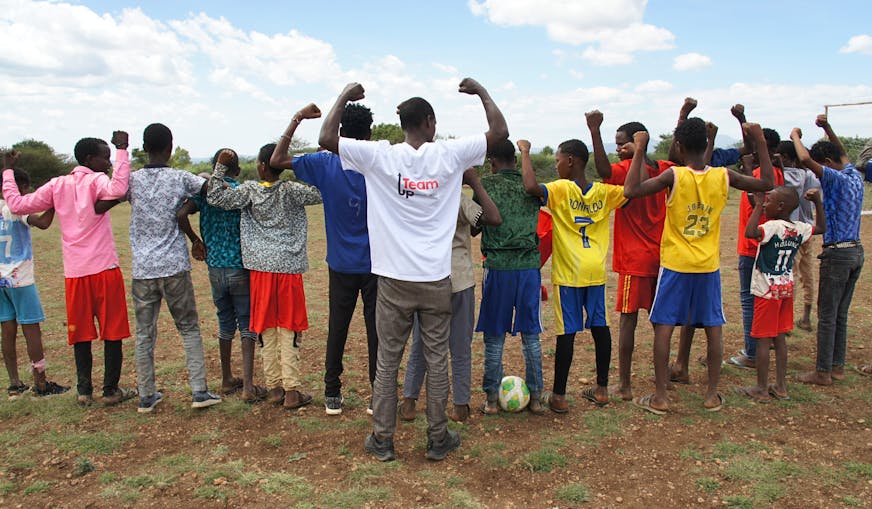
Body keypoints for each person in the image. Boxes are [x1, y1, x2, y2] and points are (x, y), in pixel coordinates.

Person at [319, 78, 508, 462]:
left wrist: (343, 97)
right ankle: (438, 438)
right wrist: (481, 93)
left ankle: (383, 440)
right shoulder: (450, 155)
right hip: (437, 280)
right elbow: (500, 133)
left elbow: (326, 137)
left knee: (388, 360)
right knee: (437, 359)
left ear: (404, 124)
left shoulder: (380, 156)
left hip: (392, 281)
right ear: (430, 122)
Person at [623, 119, 774, 414]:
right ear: (707, 145)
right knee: (713, 329)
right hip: (707, 266)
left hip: (676, 264)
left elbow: (631, 190)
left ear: (678, 146)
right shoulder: (723, 176)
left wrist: (640, 148)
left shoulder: (673, 176)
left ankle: (660, 397)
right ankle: (711, 395)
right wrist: (761, 142)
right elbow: (767, 183)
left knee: (664, 328)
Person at [3, 134, 135, 406]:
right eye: (104, 155)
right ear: (89, 159)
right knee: (113, 331)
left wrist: (6, 173)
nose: (108, 161)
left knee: (81, 333)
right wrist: (123, 150)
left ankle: (84, 391)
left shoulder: (56, 185)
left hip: (75, 273)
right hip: (104, 269)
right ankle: (110, 390)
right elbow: (120, 188)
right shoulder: (97, 180)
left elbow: (16, 205)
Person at [269, 103, 379, 416]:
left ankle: (332, 393)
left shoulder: (325, 162)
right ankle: (377, 395)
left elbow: (277, 159)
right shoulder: (379, 162)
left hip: (341, 263)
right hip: (376, 263)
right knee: (377, 331)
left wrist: (297, 119)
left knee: (338, 327)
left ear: (340, 133)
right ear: (369, 134)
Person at [208, 137, 322, 410]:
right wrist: (312, 164)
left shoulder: (249, 191)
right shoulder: (293, 191)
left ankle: (274, 388)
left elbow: (214, 196)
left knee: (266, 329)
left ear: (260, 166)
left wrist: (219, 169)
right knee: (289, 329)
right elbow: (322, 191)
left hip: (260, 273)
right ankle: (292, 390)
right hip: (288, 271)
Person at [520, 137, 625, 413]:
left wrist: (525, 152)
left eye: (557, 160)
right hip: (595, 271)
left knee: (566, 333)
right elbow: (633, 191)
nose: (555, 165)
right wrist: (638, 152)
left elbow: (530, 187)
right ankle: (602, 389)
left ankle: (559, 396)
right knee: (600, 327)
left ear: (570, 161)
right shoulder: (603, 192)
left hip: (569, 273)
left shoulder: (562, 189)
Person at [128, 123, 221, 413]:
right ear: (171, 147)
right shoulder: (180, 178)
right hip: (174, 266)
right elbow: (210, 189)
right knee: (189, 328)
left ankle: (146, 394)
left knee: (145, 333)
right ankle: (199, 390)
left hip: (143, 269)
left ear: (144, 148)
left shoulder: (131, 181)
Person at [587, 108, 677, 401]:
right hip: (660, 258)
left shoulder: (628, 169)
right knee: (659, 322)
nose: (618, 149)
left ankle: (624, 385)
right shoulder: (663, 168)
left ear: (637, 144)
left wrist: (595, 130)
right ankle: (665, 381)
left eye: (622, 143)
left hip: (635, 260)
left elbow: (603, 171)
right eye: (616, 144)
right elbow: (677, 154)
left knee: (628, 321)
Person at [401, 169, 501, 423]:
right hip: (458, 278)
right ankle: (460, 405)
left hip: (424, 277)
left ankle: (409, 402)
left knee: (420, 344)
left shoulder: (414, 196)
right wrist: (475, 183)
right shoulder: (455, 197)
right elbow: (492, 218)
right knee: (459, 346)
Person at [177, 148, 266, 402]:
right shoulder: (240, 191)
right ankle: (248, 386)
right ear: (237, 171)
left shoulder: (205, 193)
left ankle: (227, 378)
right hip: (240, 266)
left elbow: (182, 214)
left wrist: (195, 240)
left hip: (215, 268)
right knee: (247, 324)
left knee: (224, 322)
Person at [471, 139, 544, 417]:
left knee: (494, 337)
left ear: (492, 162)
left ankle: (491, 400)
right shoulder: (531, 186)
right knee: (532, 337)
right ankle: (536, 398)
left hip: (498, 268)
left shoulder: (487, 186)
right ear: (515, 159)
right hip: (528, 268)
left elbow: (476, 229)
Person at [790, 115, 864, 386]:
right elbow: (842, 152)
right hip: (856, 251)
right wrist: (827, 128)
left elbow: (808, 161)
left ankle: (822, 372)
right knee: (840, 314)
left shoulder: (836, 179)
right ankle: (837, 367)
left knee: (827, 315)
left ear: (828, 165)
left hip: (837, 253)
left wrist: (796, 136)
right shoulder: (854, 176)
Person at [735, 186, 825, 402]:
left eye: (769, 201)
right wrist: (818, 203)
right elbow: (821, 227)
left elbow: (750, 233)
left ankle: (761, 388)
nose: (765, 204)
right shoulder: (799, 228)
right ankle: (781, 386)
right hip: (786, 289)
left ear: (781, 207)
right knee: (780, 337)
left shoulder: (772, 226)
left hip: (766, 292)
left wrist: (756, 206)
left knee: (763, 340)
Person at [0, 163, 68, 399]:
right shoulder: (16, 208)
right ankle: (40, 383)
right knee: (31, 330)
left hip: (1, 279)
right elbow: (43, 223)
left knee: (7, 330)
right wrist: (53, 204)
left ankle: (14, 383)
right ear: (19, 188)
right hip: (20, 278)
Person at [728, 123, 785, 370]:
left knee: (750, 300)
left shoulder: (763, 173)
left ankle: (752, 353)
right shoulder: (774, 172)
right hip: (763, 245)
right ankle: (762, 344)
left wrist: (749, 168)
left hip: (753, 245)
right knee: (762, 299)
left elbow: (757, 200)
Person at [776, 141, 821, 331]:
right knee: (807, 272)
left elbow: (789, 182)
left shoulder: (788, 176)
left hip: (792, 231)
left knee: (790, 274)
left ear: (785, 158)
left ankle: (785, 322)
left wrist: (778, 165)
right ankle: (806, 316)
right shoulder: (810, 175)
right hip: (808, 230)